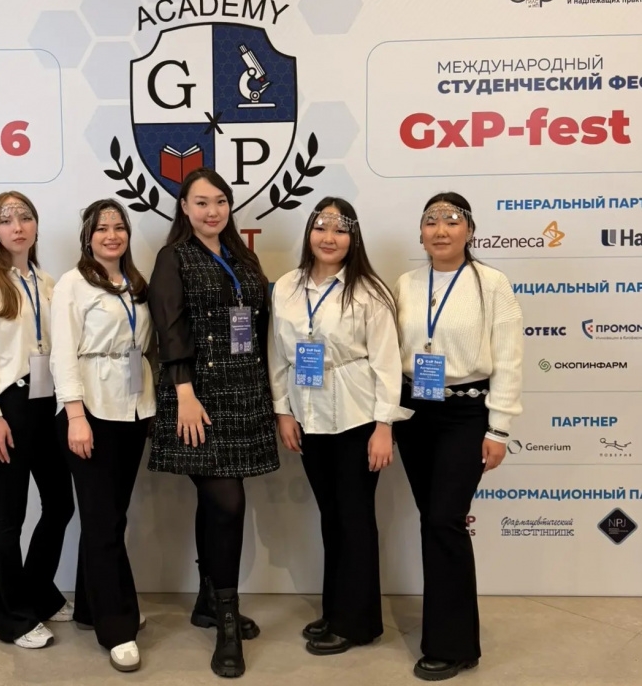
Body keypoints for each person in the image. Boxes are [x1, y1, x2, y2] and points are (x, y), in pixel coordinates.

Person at [147, 167, 279, 678]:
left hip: (244, 392)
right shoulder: (173, 257)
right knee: (227, 502)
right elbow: (169, 326)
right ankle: (226, 623)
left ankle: (207, 602)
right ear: (184, 207)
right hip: (197, 396)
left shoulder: (241, 256)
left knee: (216, 505)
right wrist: (183, 392)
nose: (212, 211)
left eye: (220, 201)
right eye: (201, 202)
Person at [269, 197, 410, 655]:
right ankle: (336, 610)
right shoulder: (286, 287)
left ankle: (359, 624)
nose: (329, 238)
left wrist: (384, 425)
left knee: (354, 518)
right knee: (331, 517)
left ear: (354, 238)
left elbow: (387, 363)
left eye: (340, 229)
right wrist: (283, 410)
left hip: (357, 416)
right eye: (321, 227)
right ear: (309, 232)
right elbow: (277, 353)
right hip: (308, 414)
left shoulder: (370, 291)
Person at [393, 192, 523, 681]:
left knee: (444, 519)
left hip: (467, 415)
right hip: (414, 414)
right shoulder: (406, 284)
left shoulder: (492, 284)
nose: (441, 229)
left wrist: (499, 427)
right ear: (420, 232)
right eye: (431, 220)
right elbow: (390, 352)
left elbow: (509, 359)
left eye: (452, 220)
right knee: (433, 519)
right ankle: (449, 630)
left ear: (470, 230)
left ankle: (454, 646)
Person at [0, 191, 74, 649]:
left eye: (25, 217)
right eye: (6, 220)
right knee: (9, 519)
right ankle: (11, 620)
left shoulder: (49, 283)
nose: (18, 226)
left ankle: (38, 594)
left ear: (36, 225)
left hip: (48, 406)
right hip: (8, 409)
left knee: (60, 506)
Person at [50, 199, 155, 673]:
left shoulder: (135, 283)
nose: (111, 235)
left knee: (110, 517)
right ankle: (117, 627)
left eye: (119, 227)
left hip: (131, 410)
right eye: (101, 228)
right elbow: (62, 356)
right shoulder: (72, 284)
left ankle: (92, 606)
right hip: (89, 412)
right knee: (102, 521)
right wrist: (75, 415)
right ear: (87, 237)